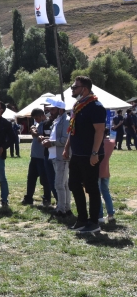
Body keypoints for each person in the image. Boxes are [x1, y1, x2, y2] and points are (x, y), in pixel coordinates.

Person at [64, 76, 106, 234]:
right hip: (78, 154)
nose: (72, 90)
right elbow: (72, 130)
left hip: (90, 154)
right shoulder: (78, 105)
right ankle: (82, 218)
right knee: (73, 184)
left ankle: (94, 222)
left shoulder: (95, 106)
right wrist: (67, 147)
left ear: (85, 89)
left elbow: (100, 131)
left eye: (75, 87)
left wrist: (95, 152)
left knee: (91, 187)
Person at [41, 98, 72, 217]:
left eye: (53, 109)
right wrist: (48, 140)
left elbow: (66, 140)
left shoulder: (66, 121)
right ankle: (66, 208)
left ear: (60, 109)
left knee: (59, 184)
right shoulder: (57, 120)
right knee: (63, 184)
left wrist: (51, 143)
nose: (50, 112)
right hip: (55, 155)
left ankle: (61, 209)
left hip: (62, 156)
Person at [22, 108, 50, 206]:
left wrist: (34, 132)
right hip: (34, 156)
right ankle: (29, 197)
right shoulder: (37, 124)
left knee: (44, 179)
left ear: (43, 115)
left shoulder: (47, 124)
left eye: (38, 117)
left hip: (42, 157)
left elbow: (42, 137)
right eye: (34, 117)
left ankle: (47, 198)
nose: (36, 119)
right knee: (31, 178)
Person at [98, 130, 116, 224]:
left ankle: (100, 215)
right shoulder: (110, 143)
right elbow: (114, 137)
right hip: (106, 171)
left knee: (97, 194)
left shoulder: (96, 143)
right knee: (106, 192)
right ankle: (110, 214)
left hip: (96, 171)